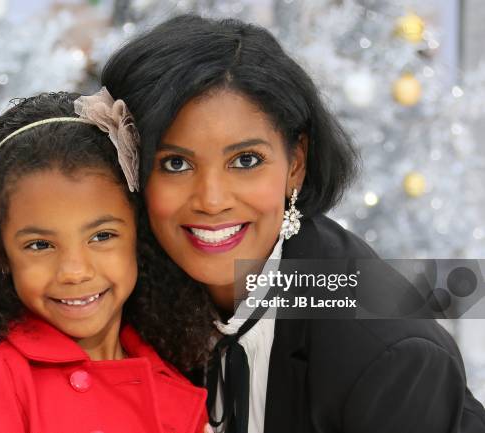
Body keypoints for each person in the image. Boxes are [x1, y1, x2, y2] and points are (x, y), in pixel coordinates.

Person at [100, 14, 485, 433]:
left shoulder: (389, 357)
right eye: (176, 163)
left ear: (296, 164)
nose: (211, 200)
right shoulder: (124, 291)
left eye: (246, 161)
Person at [0, 90, 207, 432]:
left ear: (139, 233)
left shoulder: (175, 378)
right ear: (0, 252)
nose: (74, 271)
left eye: (102, 236)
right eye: (41, 244)